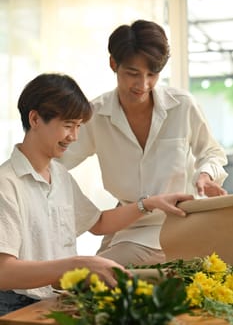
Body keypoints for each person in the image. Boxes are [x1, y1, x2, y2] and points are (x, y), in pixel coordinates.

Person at [0, 73, 193, 315]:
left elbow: (99, 222)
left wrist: (150, 203)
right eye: (68, 125)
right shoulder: (6, 184)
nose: (75, 136)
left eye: (79, 126)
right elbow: (3, 272)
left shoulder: (60, 176)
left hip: (58, 302)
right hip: (16, 308)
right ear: (35, 119)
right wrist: (80, 264)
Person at [60, 19, 228, 266]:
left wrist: (205, 174)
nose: (143, 85)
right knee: (87, 280)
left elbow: (212, 152)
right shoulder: (95, 115)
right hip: (128, 221)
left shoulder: (182, 105)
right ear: (113, 64)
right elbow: (56, 161)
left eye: (152, 74)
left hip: (179, 221)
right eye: (133, 73)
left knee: (92, 277)